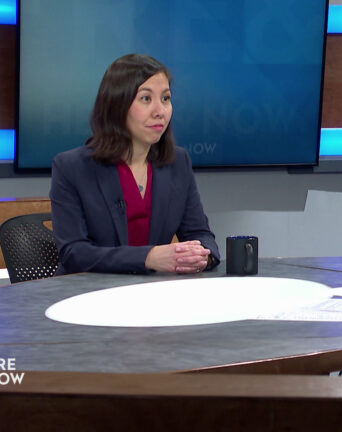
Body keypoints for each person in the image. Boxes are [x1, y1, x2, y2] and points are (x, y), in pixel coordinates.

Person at [50, 54, 220, 275]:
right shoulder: (72, 167)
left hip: (151, 291)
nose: (160, 111)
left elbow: (200, 234)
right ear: (117, 105)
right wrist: (148, 258)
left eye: (166, 99)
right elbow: (74, 253)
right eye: (146, 99)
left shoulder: (178, 162)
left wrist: (201, 256)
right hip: (89, 292)